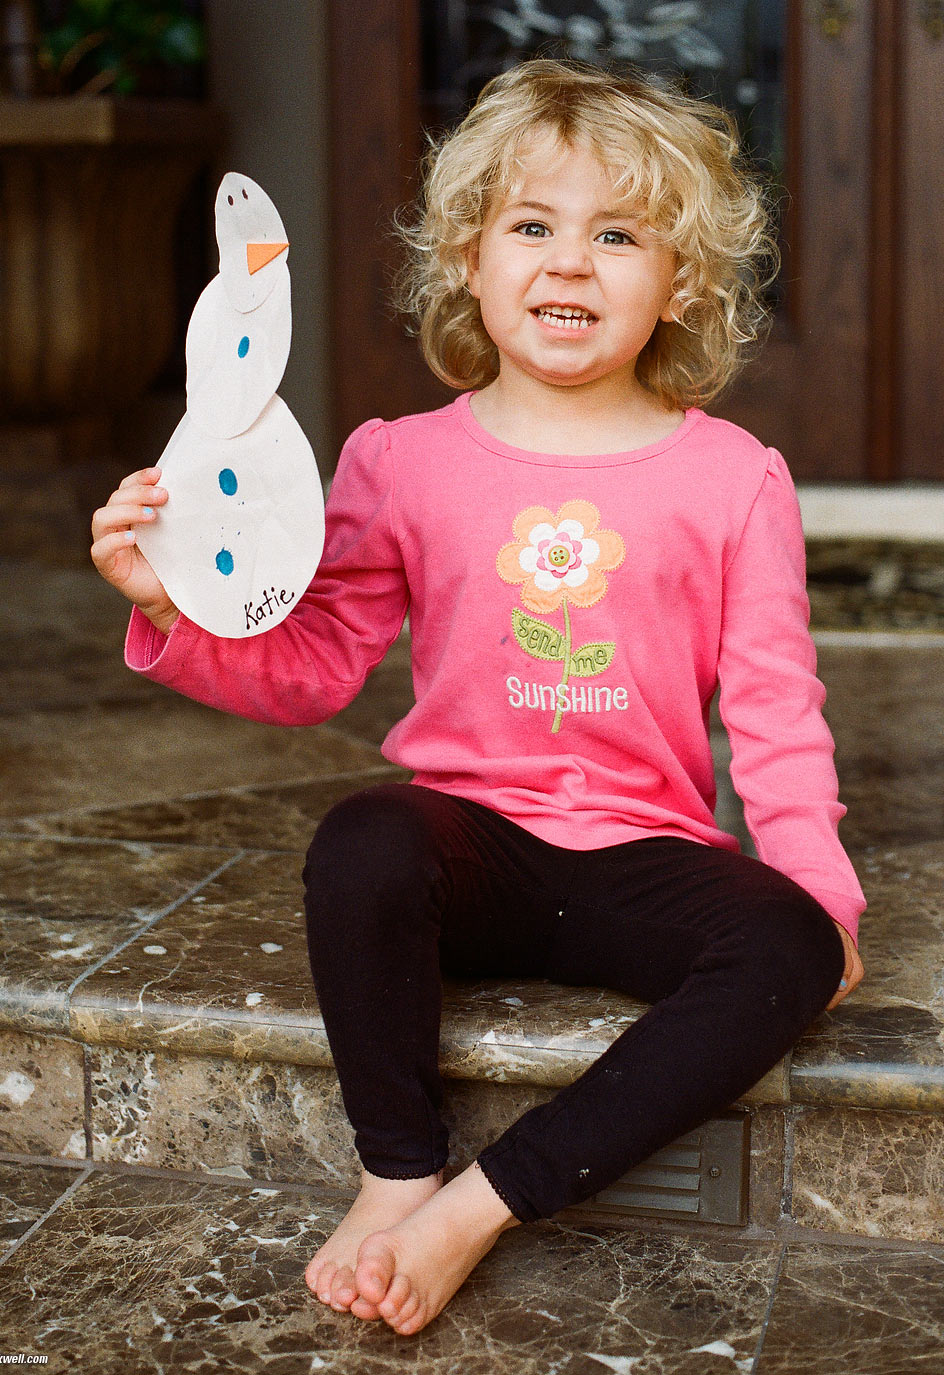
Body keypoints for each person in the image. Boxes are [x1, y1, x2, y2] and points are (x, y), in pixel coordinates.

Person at [90, 58, 866, 1338]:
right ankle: (396, 1169)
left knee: (782, 943)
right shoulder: (397, 462)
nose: (570, 264)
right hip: (473, 853)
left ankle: (472, 1208)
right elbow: (314, 666)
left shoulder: (736, 479)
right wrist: (171, 607)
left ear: (682, 284)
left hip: (647, 856)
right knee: (361, 841)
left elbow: (778, 717)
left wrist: (823, 903)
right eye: (532, 225)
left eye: (618, 235)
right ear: (465, 255)